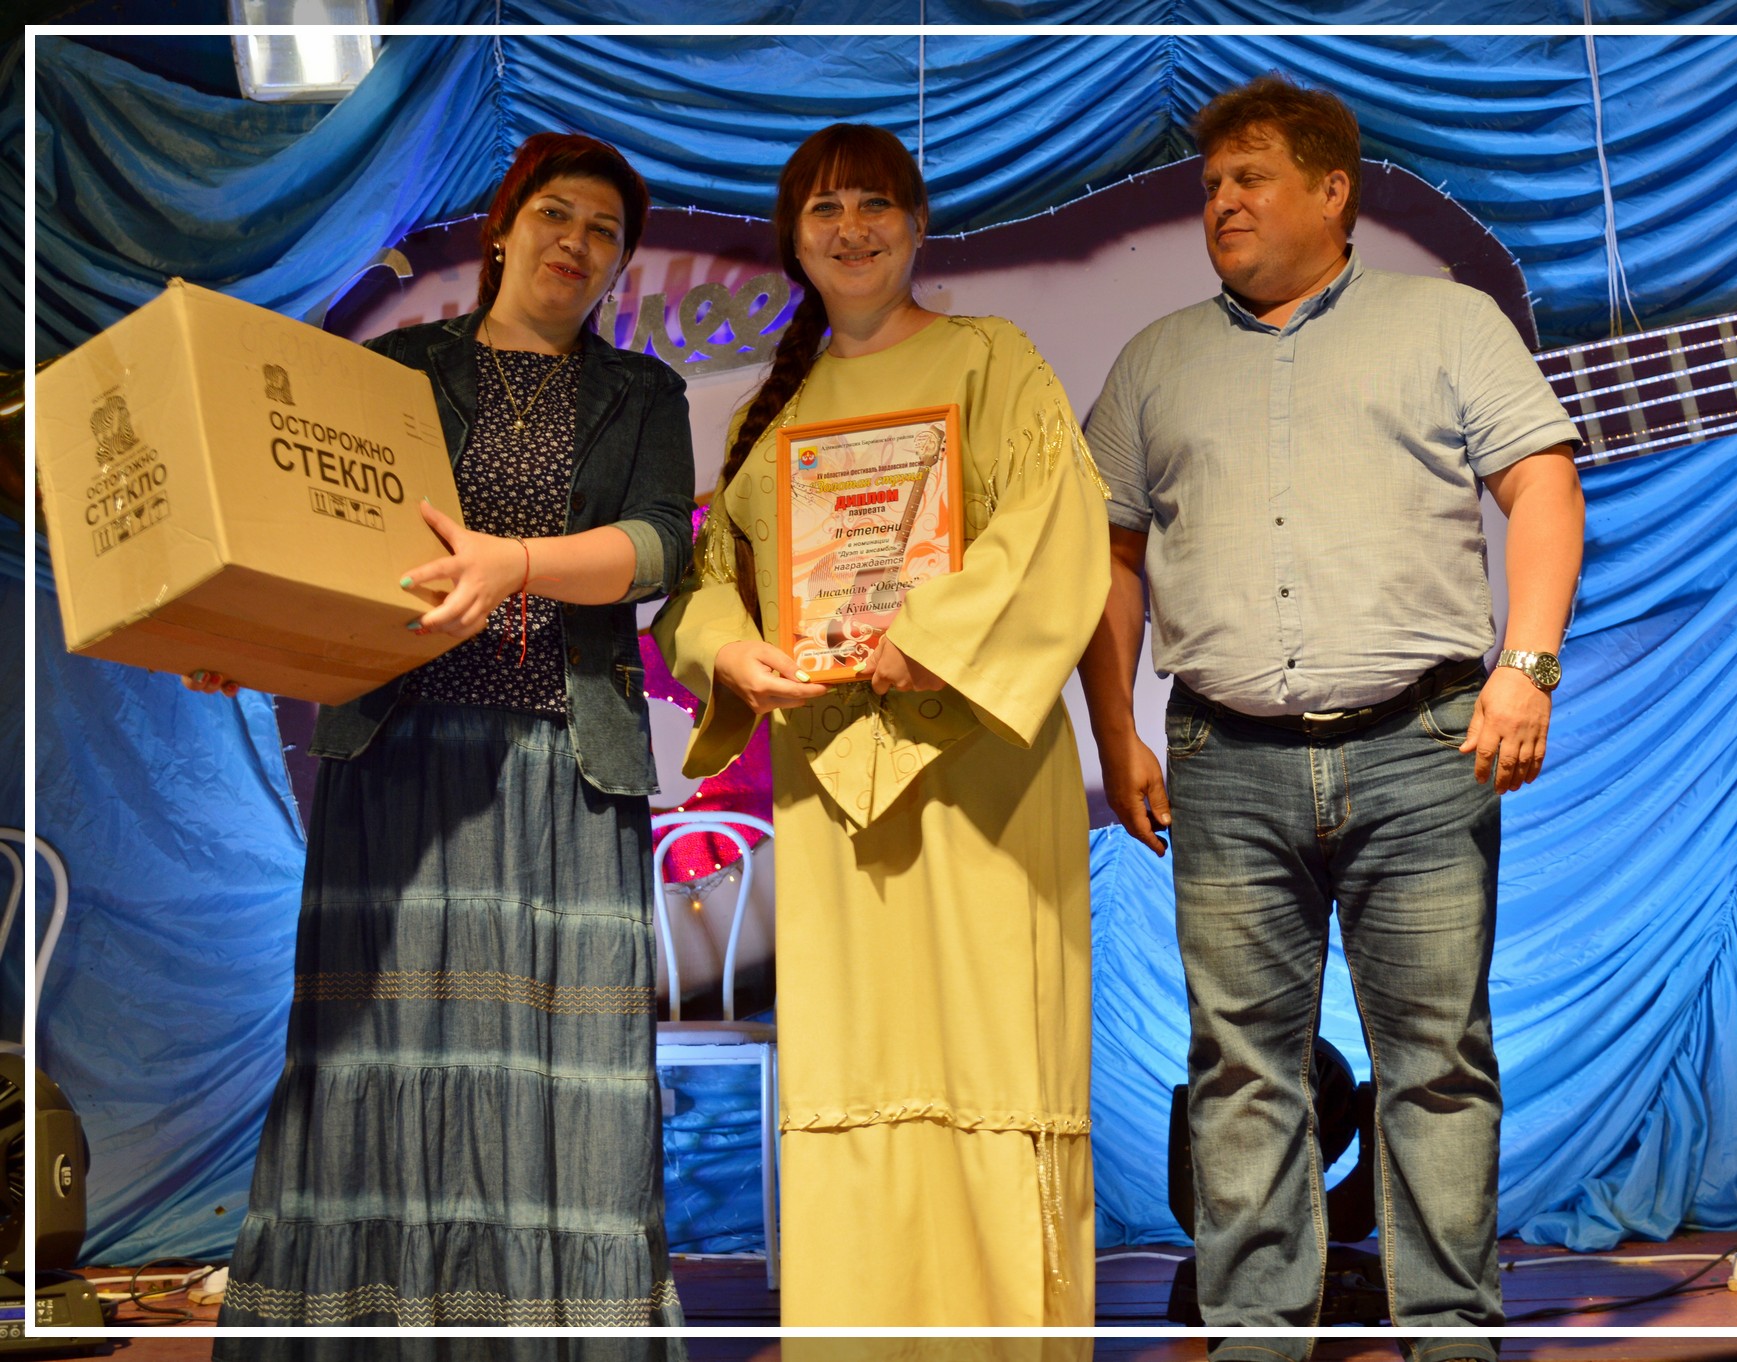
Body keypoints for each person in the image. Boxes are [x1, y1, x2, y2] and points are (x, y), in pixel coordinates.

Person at [1078, 76, 1584, 1362]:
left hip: (1422, 747)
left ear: (1330, 190)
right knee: (1239, 1067)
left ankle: (1451, 1337)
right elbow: (1110, 557)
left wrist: (1525, 667)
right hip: (1224, 757)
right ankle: (1255, 1337)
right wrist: (1113, 730)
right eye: (1209, 187)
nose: (1221, 203)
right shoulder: (1154, 360)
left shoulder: (1447, 322)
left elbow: (1541, 483)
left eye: (1248, 179)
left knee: (1436, 1061)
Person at [203, 132, 694, 1355]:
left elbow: (656, 547)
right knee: (373, 1057)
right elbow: (318, 536)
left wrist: (513, 563)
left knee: (562, 1069)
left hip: (564, 768)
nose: (577, 243)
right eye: (556, 214)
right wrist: (250, 632)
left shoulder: (642, 393)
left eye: (605, 232)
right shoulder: (398, 370)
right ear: (503, 226)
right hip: (400, 754)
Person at [652, 122, 1109, 1327]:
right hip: (829, 788)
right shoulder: (769, 415)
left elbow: (1053, 524)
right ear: (792, 239)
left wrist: (929, 637)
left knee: (992, 1059)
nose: (850, 229)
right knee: (854, 1071)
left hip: (980, 771)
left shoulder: (990, 359)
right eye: (824, 209)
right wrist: (730, 652)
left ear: (916, 225)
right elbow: (706, 584)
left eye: (873, 204)